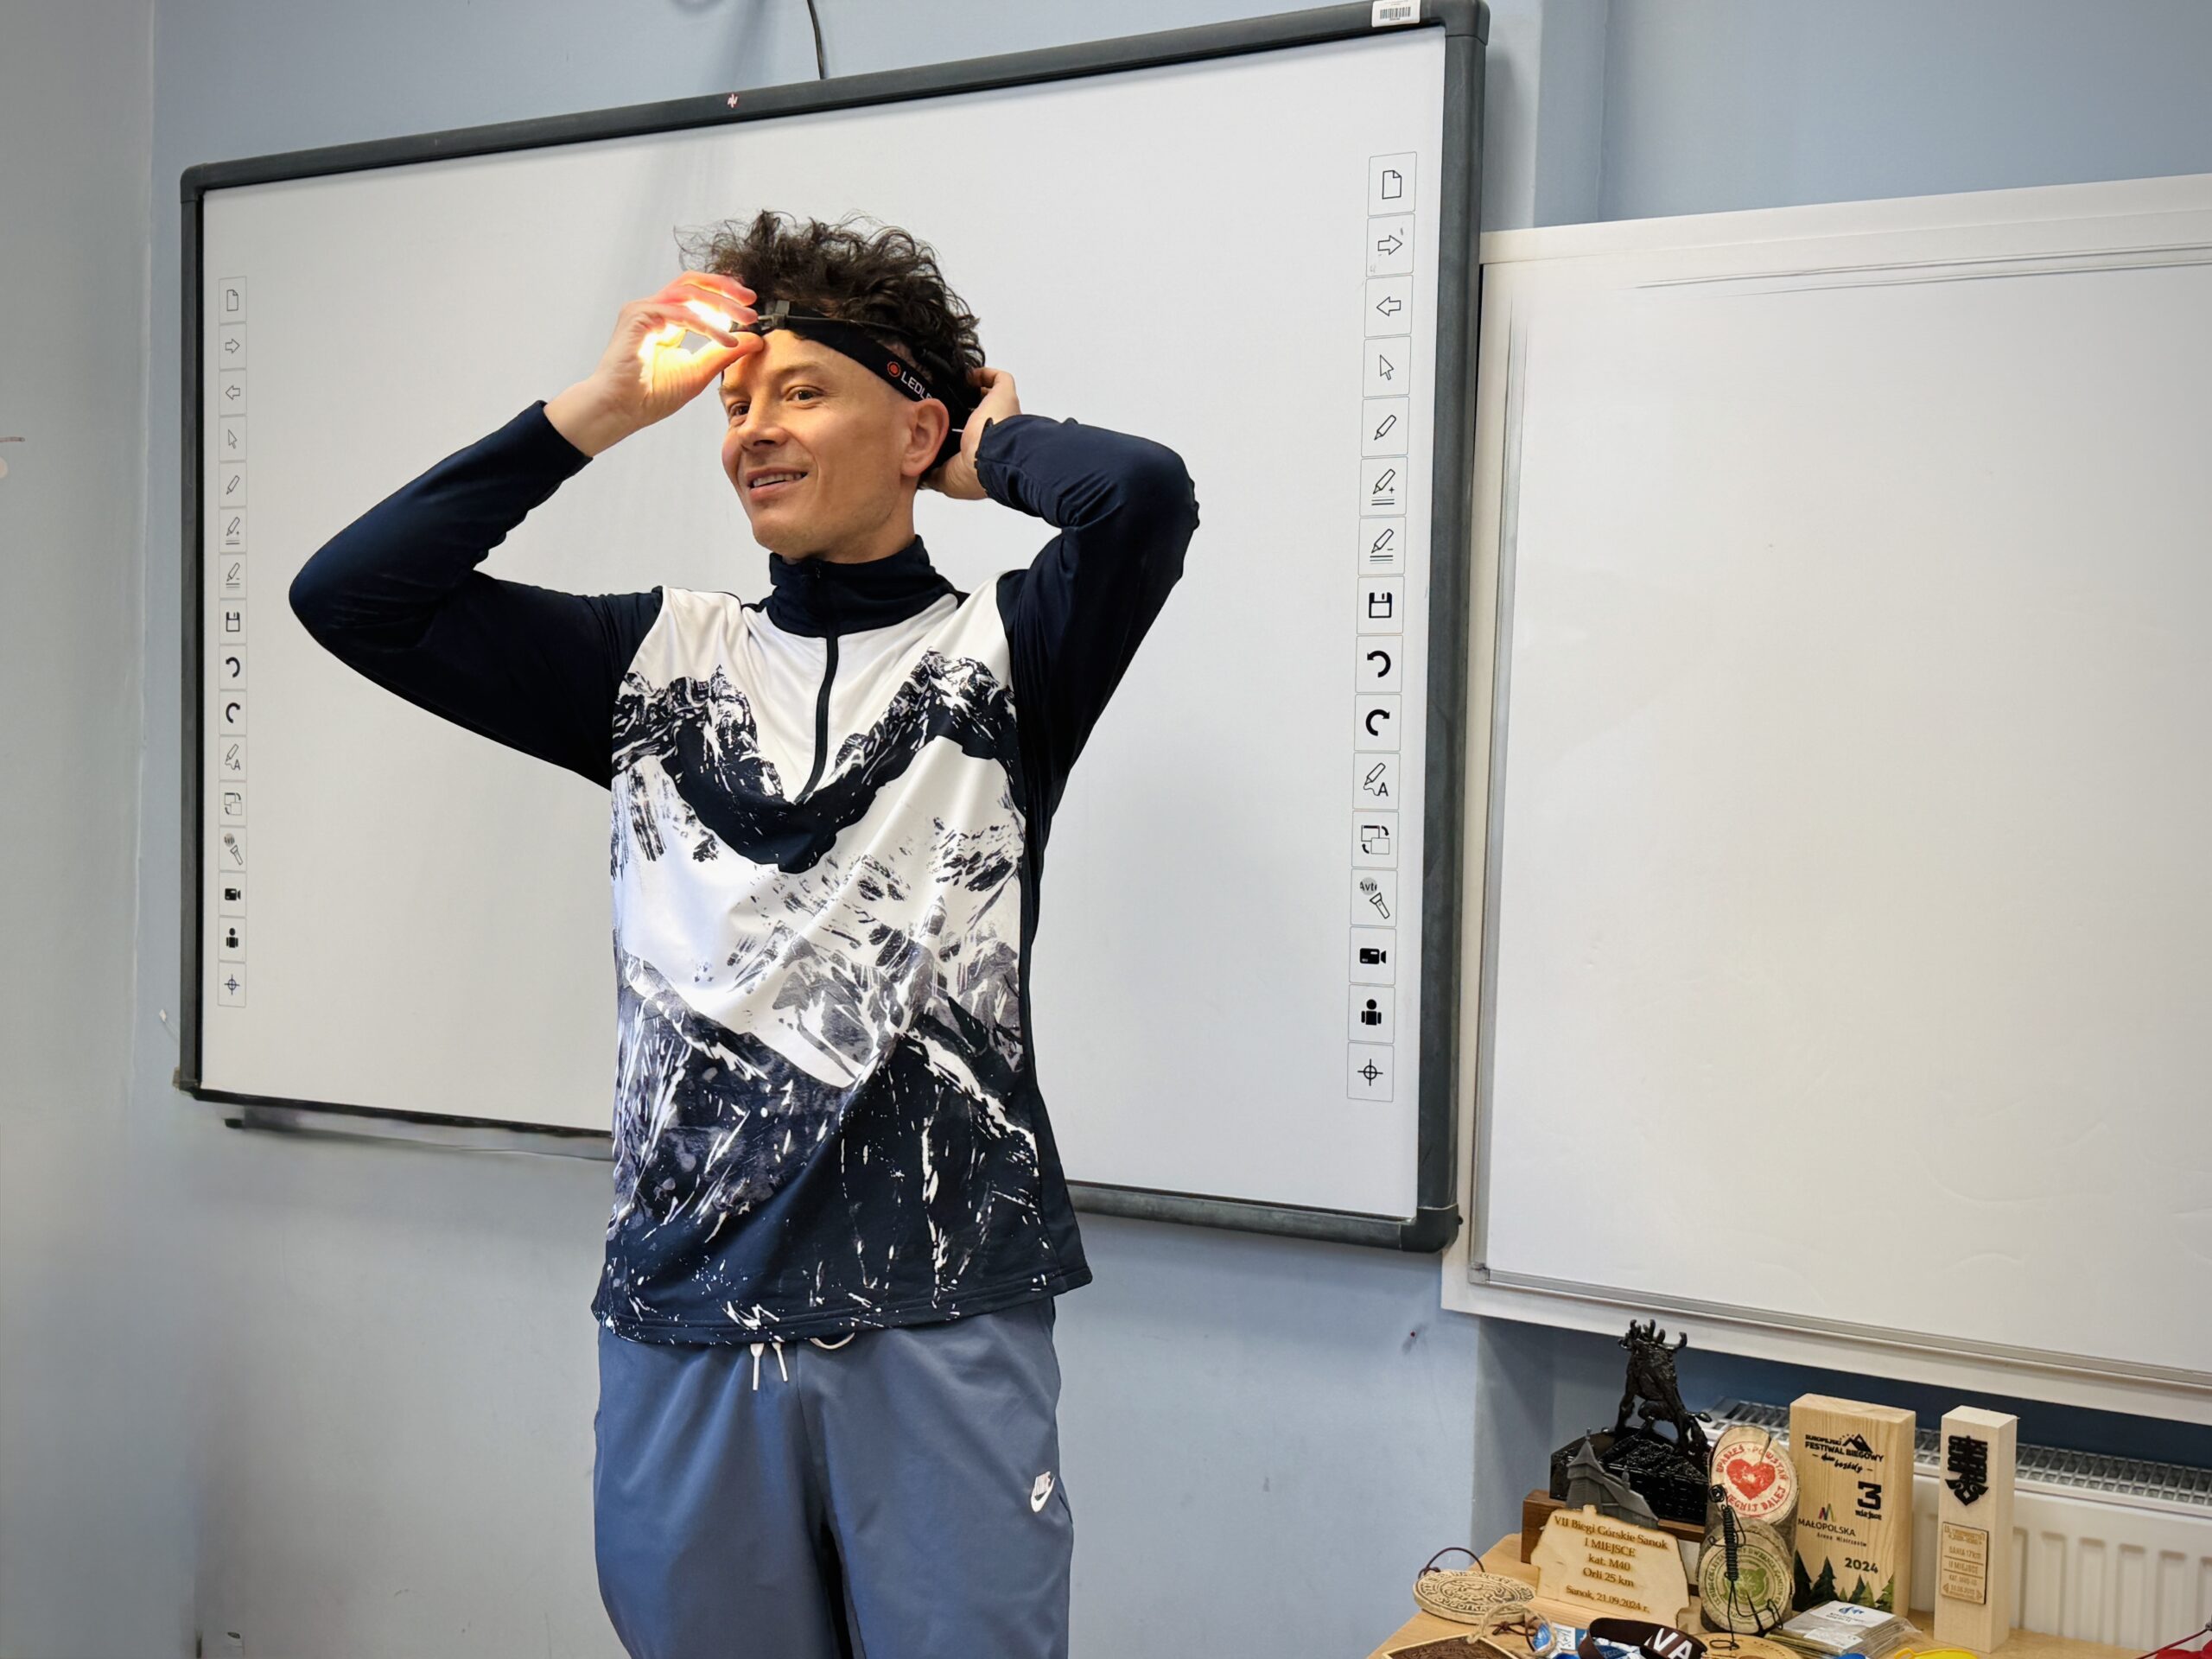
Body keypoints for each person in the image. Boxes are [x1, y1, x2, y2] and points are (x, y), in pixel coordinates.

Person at [288, 208, 1201, 1658]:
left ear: (913, 432)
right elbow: (351, 597)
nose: (752, 433)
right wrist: (599, 411)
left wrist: (990, 450)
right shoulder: (651, 663)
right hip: (683, 1308)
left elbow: (1140, 495)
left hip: (941, 1301)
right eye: (733, 405)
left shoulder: (1010, 656)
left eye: (803, 392)